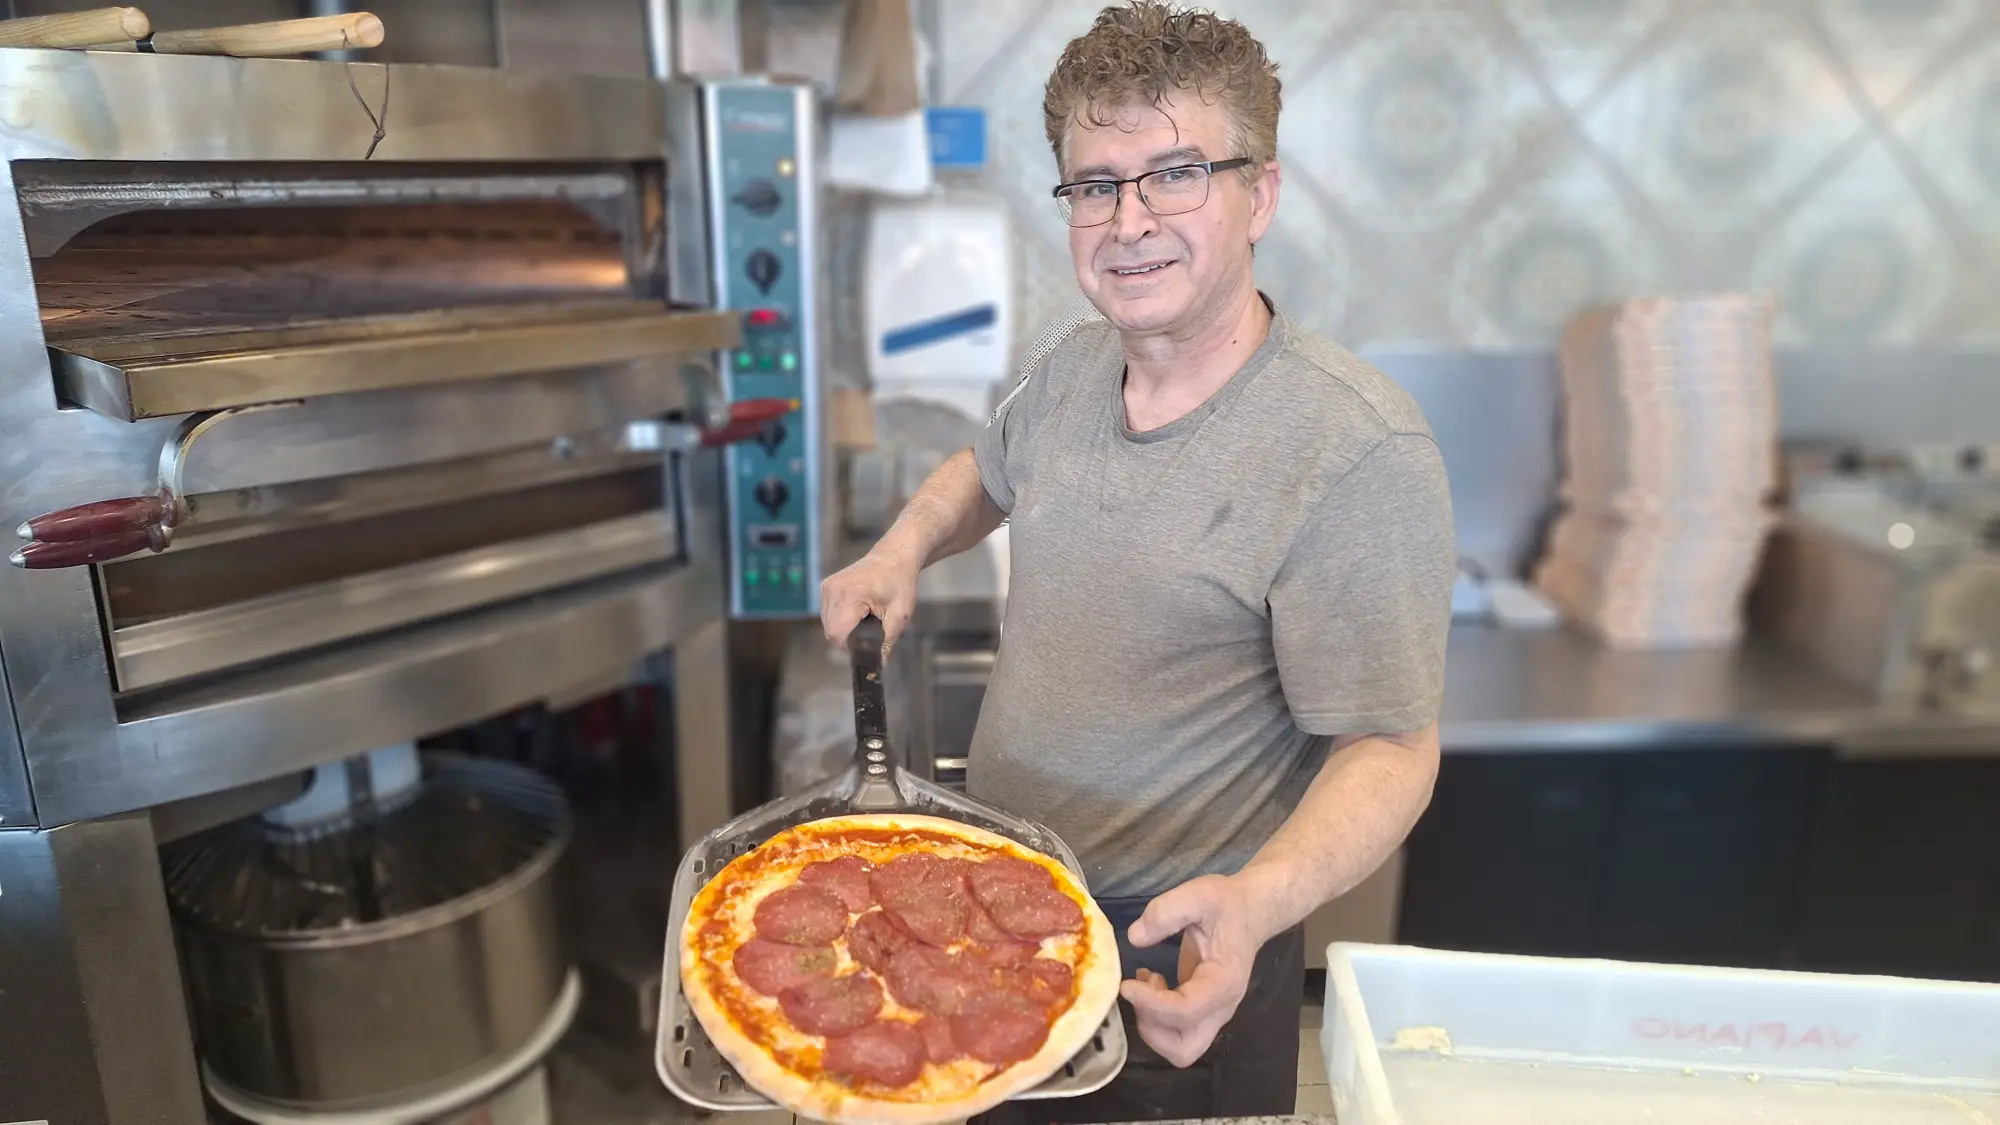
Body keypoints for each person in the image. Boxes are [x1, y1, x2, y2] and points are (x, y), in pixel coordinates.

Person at [819, 2, 1455, 1117]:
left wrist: (1257, 903)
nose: (1128, 223)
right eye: (1095, 186)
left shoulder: (1354, 449)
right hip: (991, 902)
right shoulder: (1073, 363)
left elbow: (1392, 747)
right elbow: (985, 468)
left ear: (1260, 194)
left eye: (1175, 176)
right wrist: (902, 547)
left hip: (1177, 946)